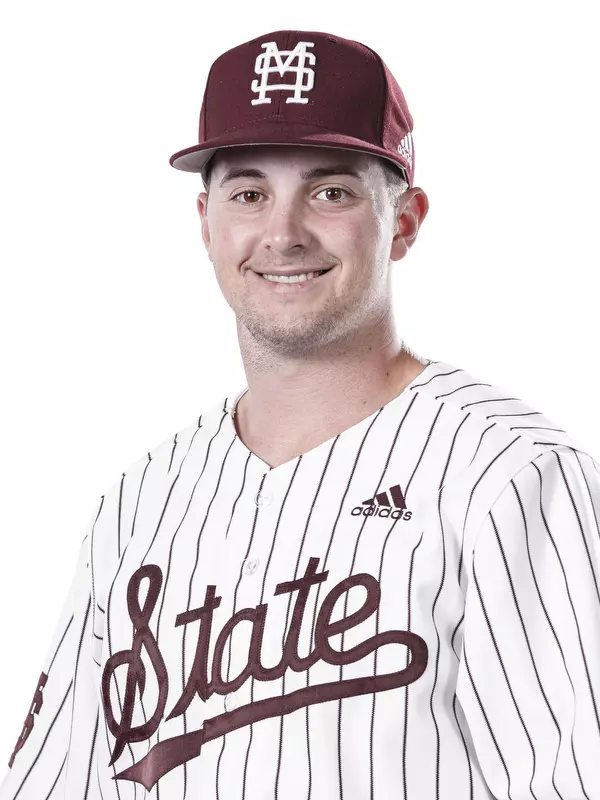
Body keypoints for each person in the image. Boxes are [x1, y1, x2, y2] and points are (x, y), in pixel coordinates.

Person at [1, 28, 599, 800]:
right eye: (250, 194)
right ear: (207, 222)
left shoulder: (509, 475)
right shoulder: (138, 502)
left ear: (405, 220)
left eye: (331, 192)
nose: (283, 234)